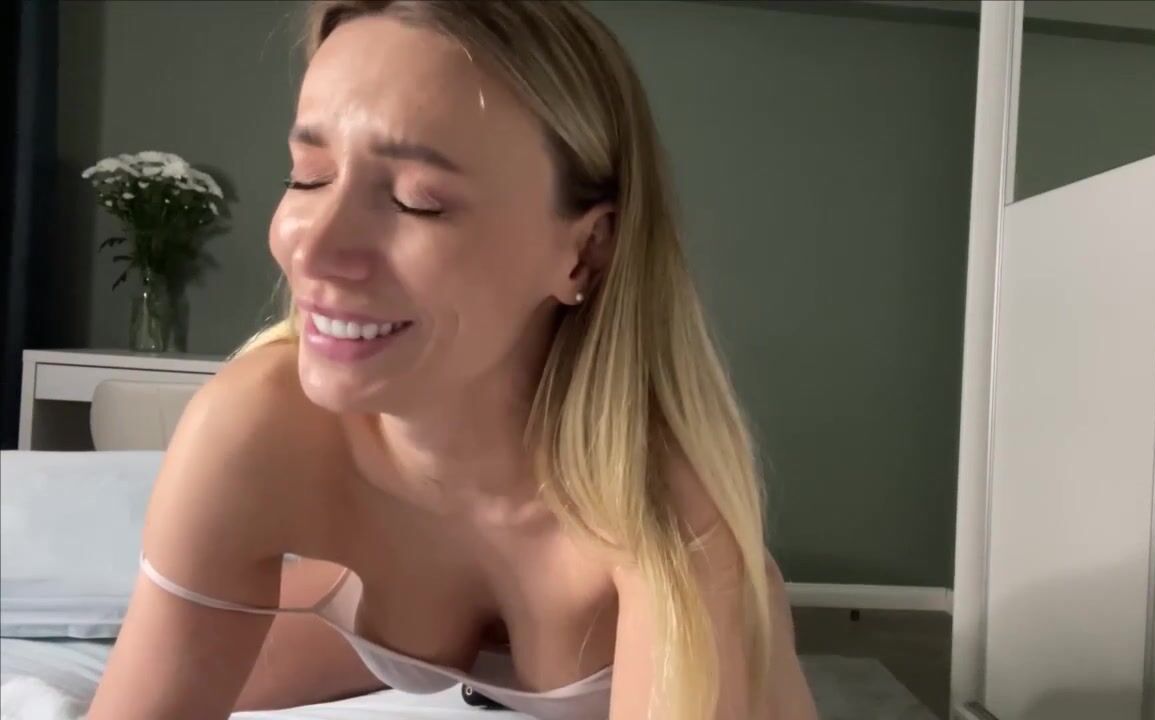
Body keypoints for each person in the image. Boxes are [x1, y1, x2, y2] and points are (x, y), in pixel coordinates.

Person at [86, 2, 819, 719]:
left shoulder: (667, 511)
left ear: (586, 251)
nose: (312, 247)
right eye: (308, 175)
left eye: (418, 201)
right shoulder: (258, 427)